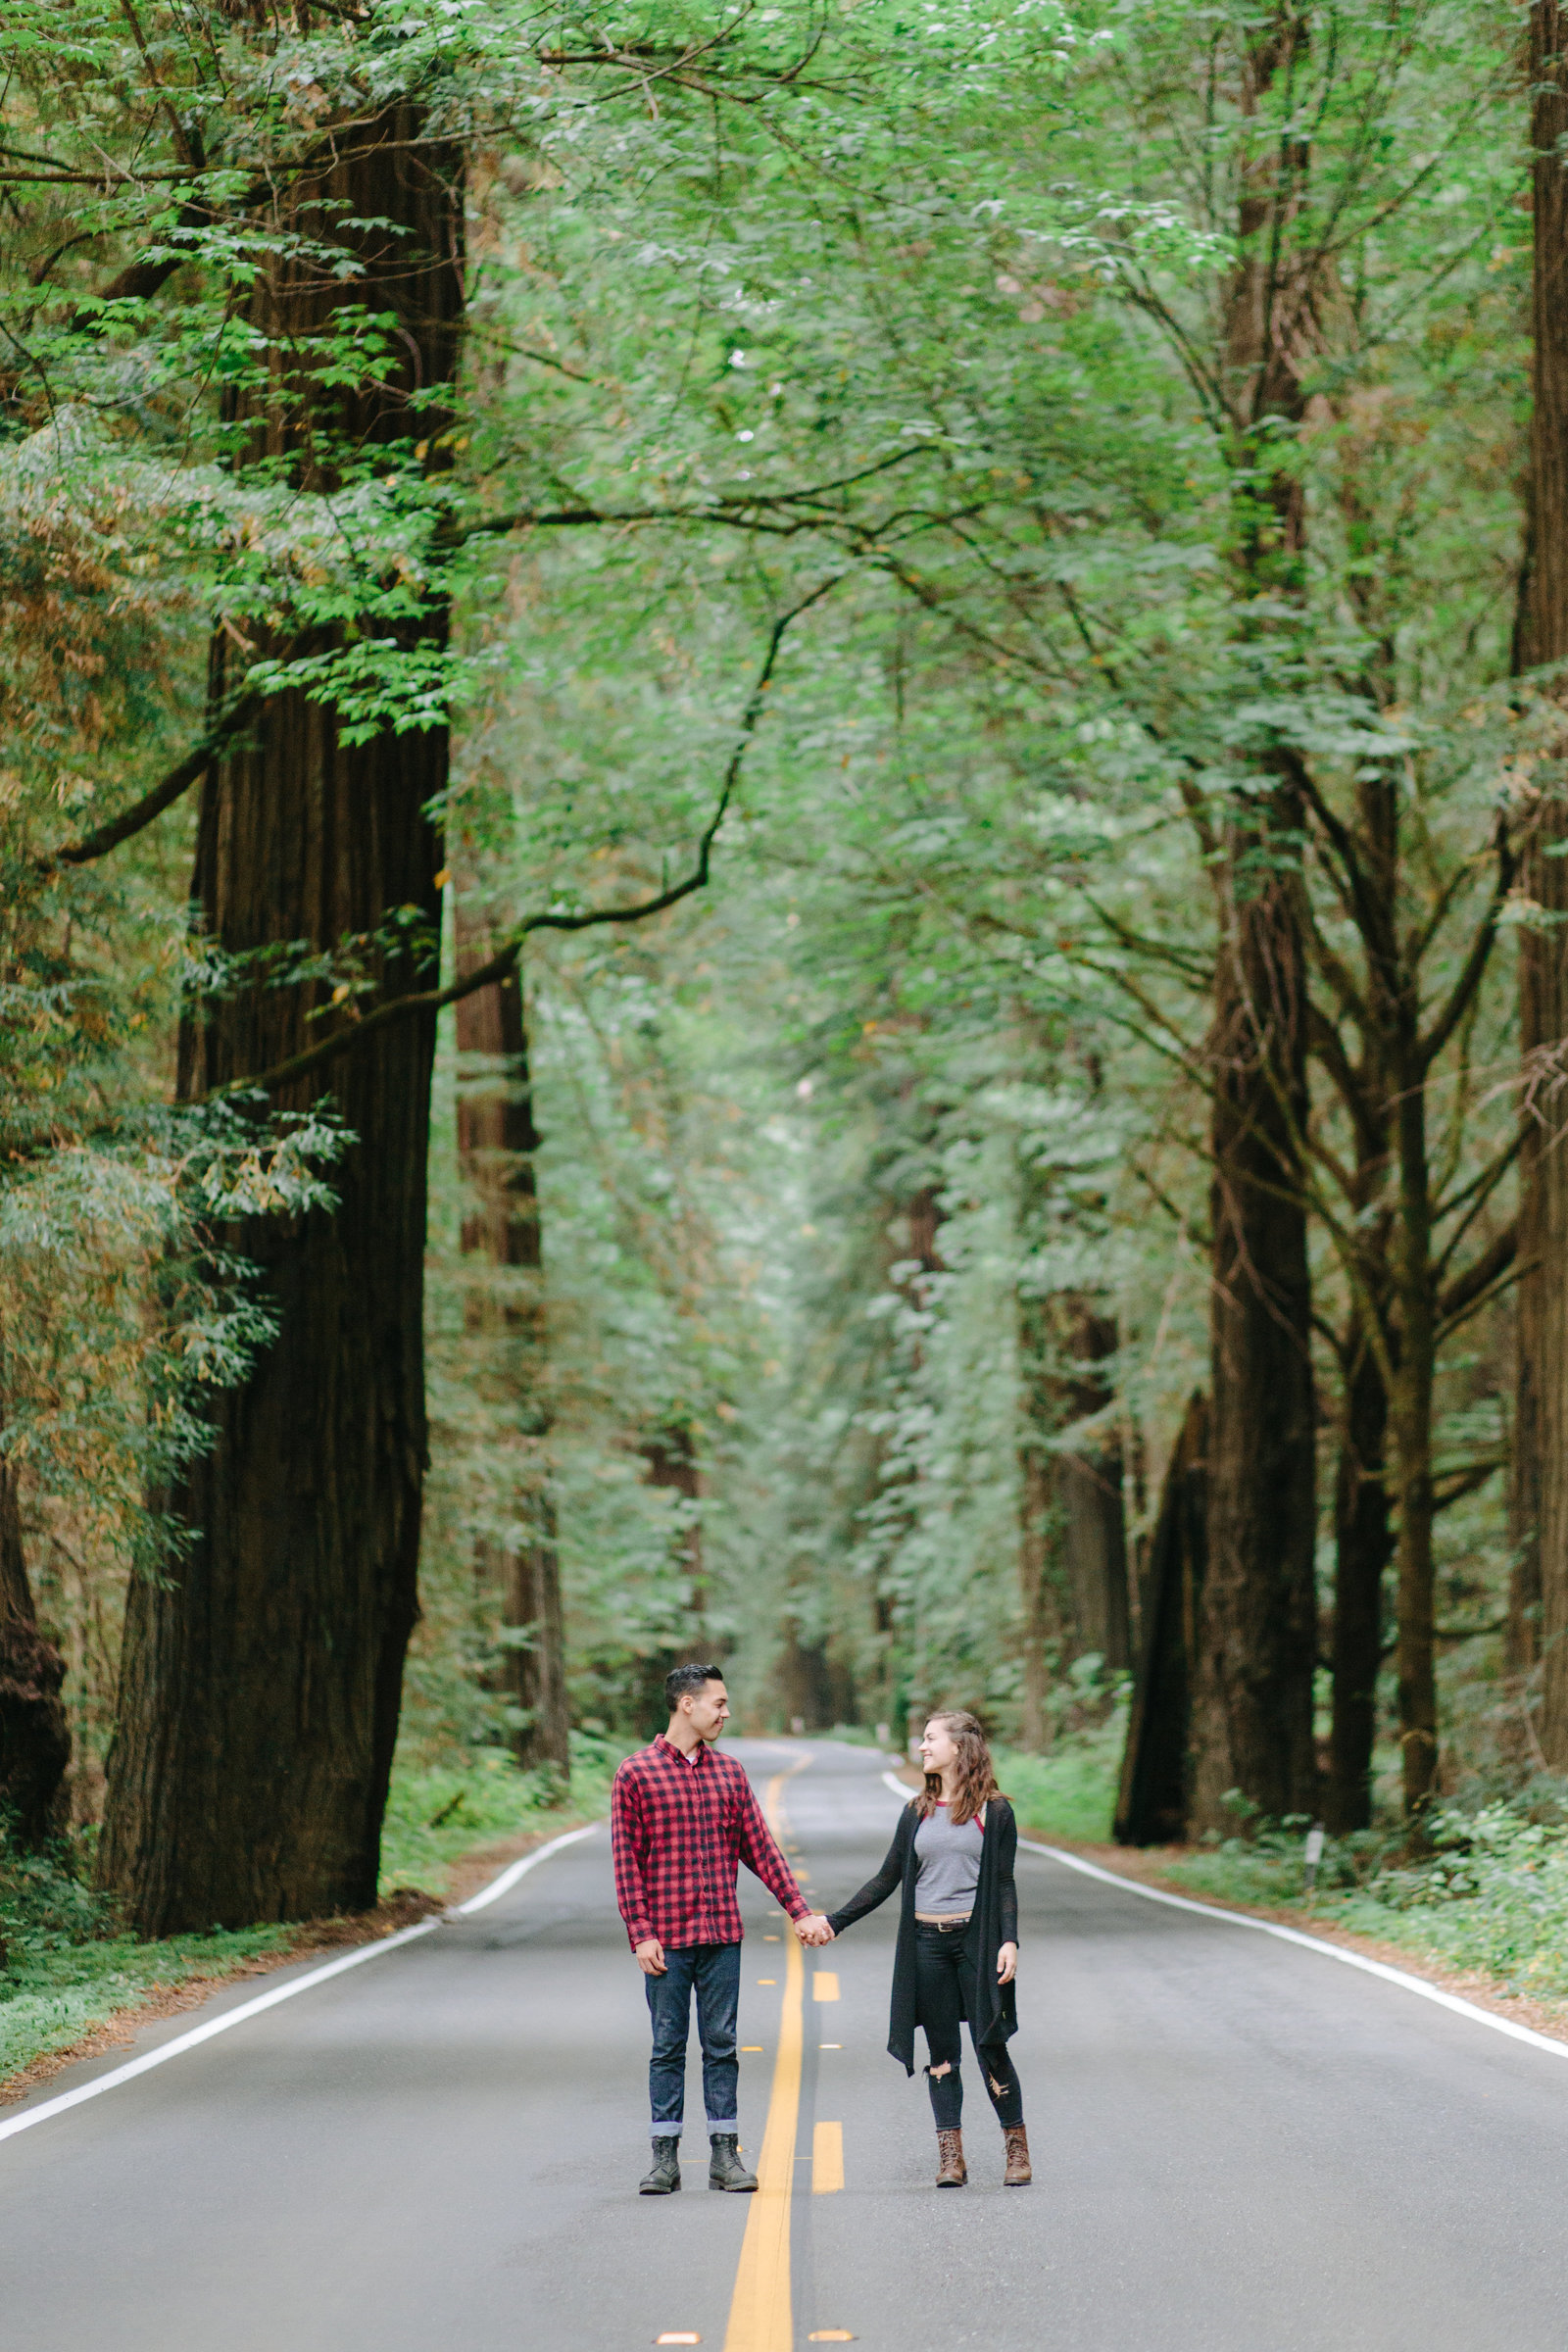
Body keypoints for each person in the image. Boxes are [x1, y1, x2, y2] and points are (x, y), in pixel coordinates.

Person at [611, 1662, 834, 2196]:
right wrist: (640, 1932)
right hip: (666, 1939)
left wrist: (799, 1909)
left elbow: (760, 1846)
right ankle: (663, 2159)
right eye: (719, 1703)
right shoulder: (636, 1773)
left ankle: (724, 2157)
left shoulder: (729, 1773)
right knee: (667, 2046)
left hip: (721, 1938)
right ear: (686, 1704)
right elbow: (627, 1860)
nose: (726, 1713)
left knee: (722, 2046)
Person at [817, 1708, 1030, 2188]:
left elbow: (1003, 1882)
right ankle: (951, 2157)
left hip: (975, 1944)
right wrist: (834, 1922)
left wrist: (1009, 1940)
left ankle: (1016, 2150)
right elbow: (887, 1878)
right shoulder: (915, 1812)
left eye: (931, 1739)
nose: (923, 1747)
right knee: (941, 2052)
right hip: (925, 1945)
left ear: (960, 1747)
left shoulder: (994, 1812)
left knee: (989, 2046)